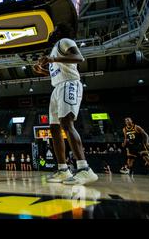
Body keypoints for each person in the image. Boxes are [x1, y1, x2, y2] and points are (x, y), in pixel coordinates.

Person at [36, 23, 98, 185]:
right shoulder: (54, 50)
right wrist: (42, 70)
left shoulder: (64, 41)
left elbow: (79, 58)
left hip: (69, 84)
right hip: (57, 87)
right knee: (54, 128)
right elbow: (58, 71)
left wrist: (53, 59)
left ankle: (84, 169)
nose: (52, 32)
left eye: (55, 29)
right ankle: (63, 169)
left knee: (66, 123)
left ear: (60, 32)